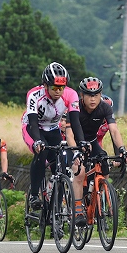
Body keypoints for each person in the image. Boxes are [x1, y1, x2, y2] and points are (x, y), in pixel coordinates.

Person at [21, 62, 87, 213]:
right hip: (33, 128)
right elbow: (32, 121)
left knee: (61, 168)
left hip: (53, 129)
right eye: (54, 88)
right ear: (45, 85)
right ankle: (33, 195)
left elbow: (75, 122)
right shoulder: (34, 95)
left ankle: (55, 212)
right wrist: (37, 141)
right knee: (42, 150)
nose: (58, 91)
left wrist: (81, 141)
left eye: (61, 88)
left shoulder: (71, 94)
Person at [66, 77, 127, 226]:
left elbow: (114, 131)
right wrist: (76, 151)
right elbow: (69, 134)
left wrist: (122, 150)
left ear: (101, 95)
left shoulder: (105, 108)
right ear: (82, 95)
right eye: (89, 95)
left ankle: (98, 199)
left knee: (104, 164)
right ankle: (77, 210)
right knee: (80, 172)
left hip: (92, 142)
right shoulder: (75, 107)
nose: (93, 99)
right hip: (75, 143)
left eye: (96, 95)